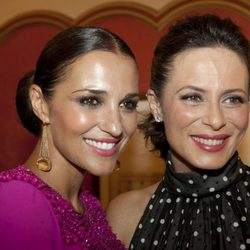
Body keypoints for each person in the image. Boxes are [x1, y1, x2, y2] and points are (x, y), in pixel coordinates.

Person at [106, 14, 250, 250]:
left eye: (233, 99)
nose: (216, 120)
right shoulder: (123, 217)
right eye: (193, 97)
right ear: (156, 105)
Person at [0, 26, 139, 250]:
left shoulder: (88, 204)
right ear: (40, 104)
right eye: (90, 101)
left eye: (127, 104)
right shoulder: (18, 204)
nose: (115, 127)